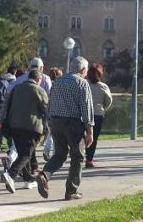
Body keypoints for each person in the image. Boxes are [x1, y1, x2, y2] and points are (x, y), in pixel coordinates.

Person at [35, 56, 94, 200]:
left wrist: (49, 122)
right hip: (73, 123)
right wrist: (90, 131)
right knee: (77, 156)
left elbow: (50, 103)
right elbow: (87, 109)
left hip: (55, 122)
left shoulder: (58, 82)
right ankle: (71, 190)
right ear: (83, 69)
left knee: (60, 154)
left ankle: (44, 175)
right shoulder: (82, 83)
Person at [0, 69, 49, 194]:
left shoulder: (17, 88)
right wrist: (47, 128)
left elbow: (8, 105)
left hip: (14, 125)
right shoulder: (39, 91)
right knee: (26, 154)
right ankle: (10, 174)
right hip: (31, 127)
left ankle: (28, 180)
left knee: (25, 153)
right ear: (39, 79)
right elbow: (46, 110)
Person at [85, 63, 112, 168]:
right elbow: (108, 101)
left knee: (83, 136)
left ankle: (79, 155)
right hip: (97, 114)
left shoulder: (84, 85)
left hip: (84, 113)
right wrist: (102, 108)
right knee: (94, 138)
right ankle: (89, 159)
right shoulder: (103, 87)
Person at [0, 66, 16, 152]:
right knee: (5, 125)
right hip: (6, 104)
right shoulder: (13, 80)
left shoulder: (1, 80)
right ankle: (5, 145)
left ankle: (0, 145)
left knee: (3, 124)